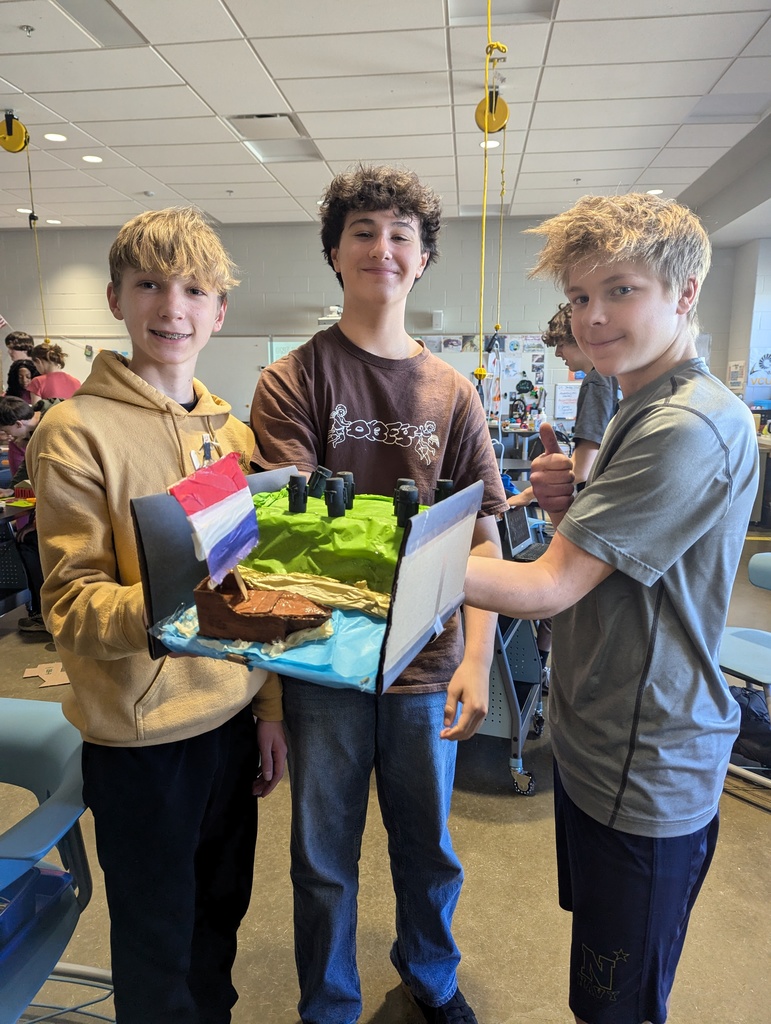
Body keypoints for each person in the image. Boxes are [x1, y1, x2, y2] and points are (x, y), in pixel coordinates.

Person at [464, 193, 759, 1024]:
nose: (593, 318)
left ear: (684, 292)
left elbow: (548, 588)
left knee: (614, 1006)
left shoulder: (686, 423)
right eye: (580, 297)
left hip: (647, 760)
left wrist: (384, 575)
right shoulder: (639, 403)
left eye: (620, 290)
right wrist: (575, 506)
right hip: (604, 739)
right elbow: (637, 570)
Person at [251, 165, 507, 1024]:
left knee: (427, 849)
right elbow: (286, 542)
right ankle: (327, 1006)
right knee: (323, 858)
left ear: (424, 258)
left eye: (400, 234)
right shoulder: (291, 381)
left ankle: (430, 981)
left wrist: (476, 656)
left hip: (428, 664)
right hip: (324, 663)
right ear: (334, 251)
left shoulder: (452, 391)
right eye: (362, 231)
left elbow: (483, 534)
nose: (381, 249)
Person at [26, 206, 287, 1024]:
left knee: (219, 924)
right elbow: (72, 606)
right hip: (142, 744)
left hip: (233, 722)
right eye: (149, 285)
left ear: (218, 312)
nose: (171, 308)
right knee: (155, 943)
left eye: (193, 290)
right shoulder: (75, 433)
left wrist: (270, 707)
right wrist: (186, 605)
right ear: (115, 299)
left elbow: (257, 581)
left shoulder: (233, 431)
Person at [507, 302, 619, 681]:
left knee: (555, 597)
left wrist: (526, 496)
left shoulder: (598, 380)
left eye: (561, 345)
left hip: (587, 515)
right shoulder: (616, 379)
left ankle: (538, 671)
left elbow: (584, 465)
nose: (558, 354)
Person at [0, 395, 60, 635]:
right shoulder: (42, 425)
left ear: (18, 424)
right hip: (63, 510)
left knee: (28, 543)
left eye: (8, 434)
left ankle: (46, 615)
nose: (9, 439)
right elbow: (30, 470)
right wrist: (12, 490)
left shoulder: (51, 428)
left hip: (74, 514)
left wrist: (37, 523)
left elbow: (55, 483)